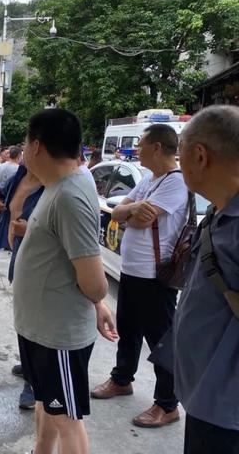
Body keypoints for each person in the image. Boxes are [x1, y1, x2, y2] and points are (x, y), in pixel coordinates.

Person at [13, 108, 116, 454]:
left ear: (38, 145)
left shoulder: (70, 195)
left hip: (58, 336)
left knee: (67, 420)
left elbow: (95, 280)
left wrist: (99, 300)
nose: (24, 150)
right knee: (47, 404)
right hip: (41, 330)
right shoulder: (58, 185)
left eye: (26, 142)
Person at [91, 124, 188, 428]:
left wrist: (130, 213)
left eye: (141, 144)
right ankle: (122, 378)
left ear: (157, 148)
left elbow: (142, 222)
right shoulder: (149, 179)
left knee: (161, 340)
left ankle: (167, 404)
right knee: (129, 329)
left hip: (154, 274)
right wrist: (132, 209)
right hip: (131, 270)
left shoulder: (176, 182)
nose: (137, 150)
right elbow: (118, 213)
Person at [173, 105, 239, 453]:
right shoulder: (218, 211)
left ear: (199, 156)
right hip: (205, 397)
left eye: (180, 148)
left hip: (225, 409)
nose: (177, 158)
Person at [0, 165, 44, 410]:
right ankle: (29, 365)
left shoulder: (54, 186)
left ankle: (34, 384)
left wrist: (29, 230)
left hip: (40, 261)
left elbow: (61, 230)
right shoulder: (18, 177)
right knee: (23, 318)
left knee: (37, 323)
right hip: (18, 254)